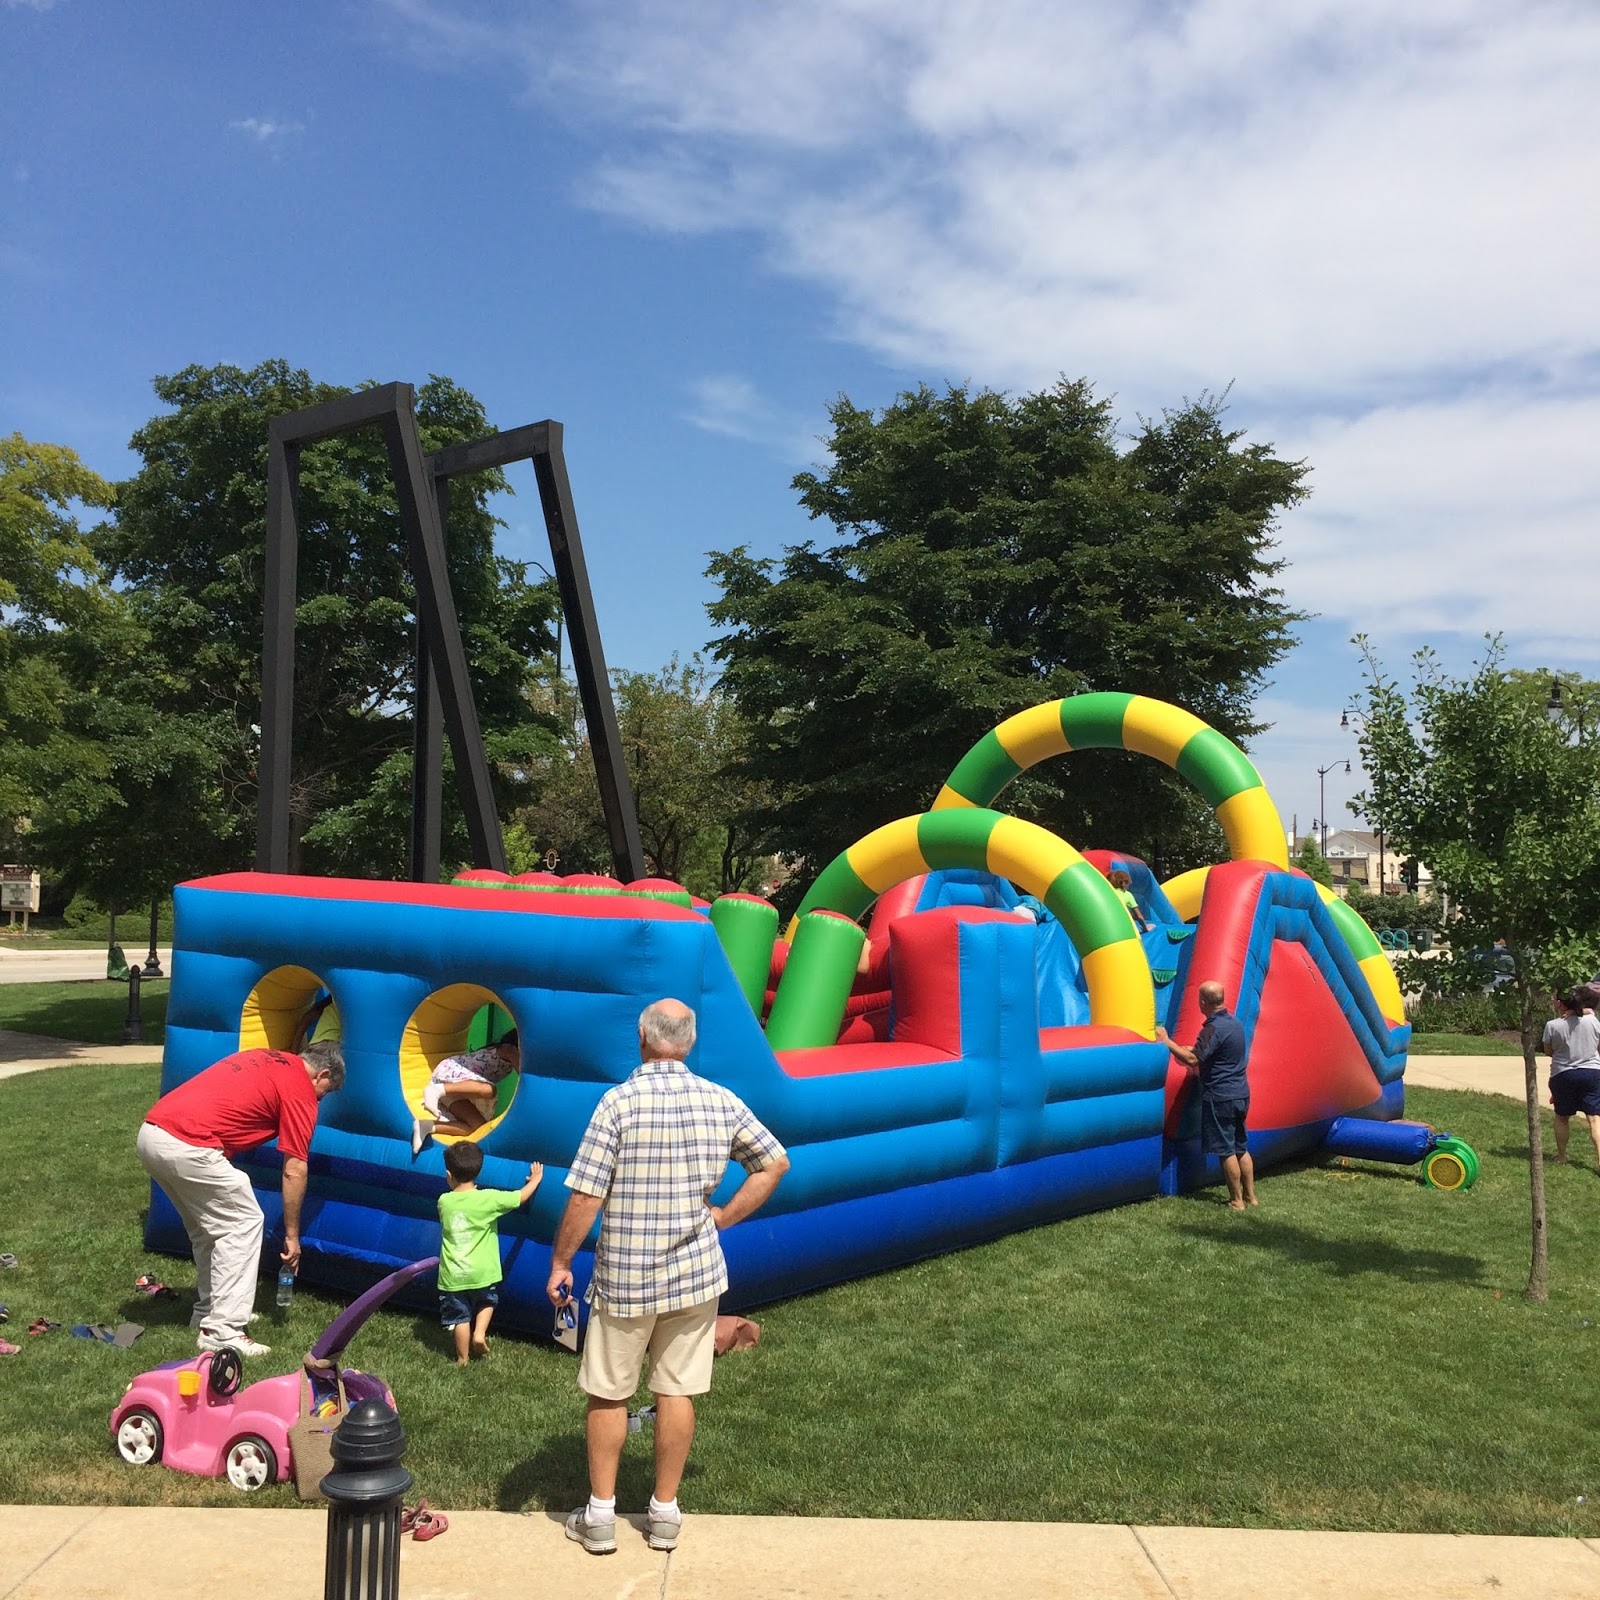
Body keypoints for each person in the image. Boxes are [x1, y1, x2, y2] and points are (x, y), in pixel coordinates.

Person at [548, 998, 789, 1557]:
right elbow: (774, 1161)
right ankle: (664, 1514)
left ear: (641, 1037)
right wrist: (724, 1216)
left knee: (608, 1393)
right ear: (690, 1039)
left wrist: (561, 1261)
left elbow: (587, 1195)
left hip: (627, 1277)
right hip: (696, 1275)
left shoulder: (618, 1104)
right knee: (676, 1389)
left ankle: (602, 1516)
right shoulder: (720, 1100)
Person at [136, 1040, 345, 1356]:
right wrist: (292, 1236)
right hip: (189, 1144)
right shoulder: (301, 1088)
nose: (321, 1098)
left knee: (208, 1231)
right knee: (244, 1223)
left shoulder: (266, 1057)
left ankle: (209, 1312)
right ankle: (224, 1330)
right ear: (322, 1073)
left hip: (152, 1134)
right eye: (326, 1091)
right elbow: (295, 1168)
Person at [437, 1142, 542, 1364]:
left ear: (449, 1174)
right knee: (487, 1302)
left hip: (454, 1275)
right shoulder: (489, 1199)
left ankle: (462, 1359)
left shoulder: (444, 1202)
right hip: (483, 1272)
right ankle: (480, 1333)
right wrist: (534, 1181)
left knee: (460, 1317)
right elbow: (519, 1198)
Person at [1157, 980, 1255, 1210]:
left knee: (1226, 1150)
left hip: (1221, 1096)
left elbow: (1193, 1060)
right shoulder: (1234, 1023)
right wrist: (1191, 1049)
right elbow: (1212, 1052)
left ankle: (1236, 1201)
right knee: (1241, 1147)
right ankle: (1251, 1196)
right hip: (1241, 1092)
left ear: (1203, 1001)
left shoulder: (1213, 1028)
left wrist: (1167, 1041)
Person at [413, 1031, 521, 1154]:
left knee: (477, 1126)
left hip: (455, 1091)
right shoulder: (509, 1049)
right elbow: (524, 1072)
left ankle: (427, 1126)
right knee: (490, 1090)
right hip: (450, 1074)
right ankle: (436, 1090)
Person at [1539, 989, 1600, 1166]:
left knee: (1562, 1117)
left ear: (1560, 1003)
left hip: (1563, 1073)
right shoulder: (1593, 1021)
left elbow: (1548, 1051)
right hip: (1592, 1073)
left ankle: (1562, 1156)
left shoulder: (1552, 1025)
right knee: (1595, 1119)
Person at [1108, 866, 1152, 933]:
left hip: (1109, 923)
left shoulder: (1107, 892)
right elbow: (1139, 916)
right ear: (1125, 883)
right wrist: (1145, 928)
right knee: (1153, 925)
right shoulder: (1127, 894)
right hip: (1122, 926)